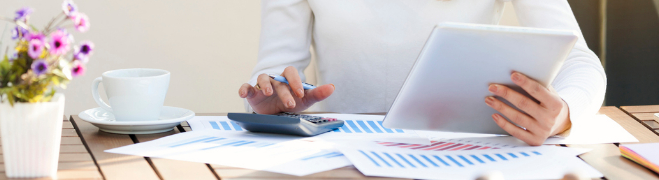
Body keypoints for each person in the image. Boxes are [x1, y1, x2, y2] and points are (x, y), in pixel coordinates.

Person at [237, 0, 606, 146]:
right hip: (342, 156)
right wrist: (275, 100)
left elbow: (579, 61)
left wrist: (563, 113)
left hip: (468, 155)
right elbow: (275, 73)